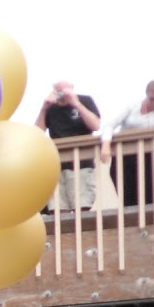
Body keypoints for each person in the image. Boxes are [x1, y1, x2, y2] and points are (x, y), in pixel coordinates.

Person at [35, 80, 102, 213]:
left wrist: (75, 103)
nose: (61, 95)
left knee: (81, 206)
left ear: (71, 89)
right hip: (56, 165)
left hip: (81, 163)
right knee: (58, 209)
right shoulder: (51, 107)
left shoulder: (85, 100)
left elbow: (95, 125)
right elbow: (37, 133)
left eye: (63, 91)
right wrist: (44, 108)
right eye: (57, 91)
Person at [104, 80, 154, 208]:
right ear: (146, 94)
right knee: (126, 191)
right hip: (125, 156)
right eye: (152, 99)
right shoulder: (133, 106)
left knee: (148, 192)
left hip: (148, 156)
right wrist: (106, 146)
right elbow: (109, 125)